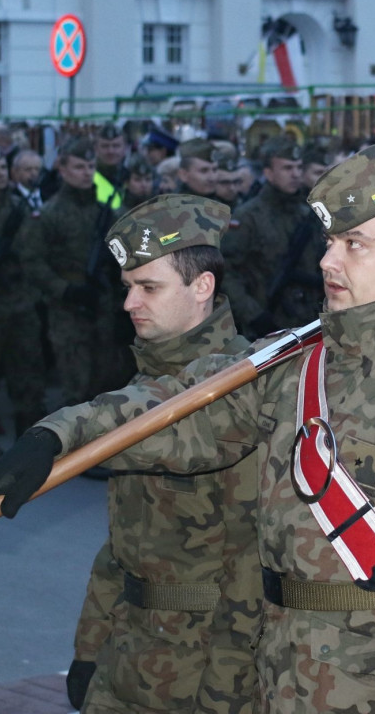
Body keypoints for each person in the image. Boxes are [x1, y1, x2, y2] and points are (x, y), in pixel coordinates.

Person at [0, 141, 375, 714]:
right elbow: (176, 409)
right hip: (283, 678)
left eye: (354, 245)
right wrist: (57, 436)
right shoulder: (295, 363)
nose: (327, 262)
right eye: (328, 242)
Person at [52, 194, 259, 713]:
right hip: (128, 653)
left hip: (202, 665)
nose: (129, 304)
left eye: (148, 287)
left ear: (202, 287)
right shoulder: (146, 380)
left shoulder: (243, 386)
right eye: (128, 288)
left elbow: (252, 569)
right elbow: (120, 543)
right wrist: (89, 645)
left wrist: (228, 691)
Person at [24, 136, 134, 407]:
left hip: (104, 306)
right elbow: (32, 261)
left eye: (90, 166)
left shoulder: (104, 212)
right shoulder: (49, 214)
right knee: (77, 387)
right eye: (79, 166)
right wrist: (65, 290)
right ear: (62, 170)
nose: (86, 172)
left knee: (109, 385)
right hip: (68, 312)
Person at [221, 135, 324, 338]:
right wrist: (254, 315)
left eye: (298, 167)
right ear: (268, 173)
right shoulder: (248, 217)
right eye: (287, 168)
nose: (295, 174)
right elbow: (226, 273)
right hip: (267, 324)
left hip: (309, 322)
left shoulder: (308, 213)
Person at [0, 144, 44, 458]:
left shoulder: (18, 206)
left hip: (20, 301)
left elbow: (33, 252)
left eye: (2, 168)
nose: (0, 174)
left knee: (27, 368)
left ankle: (27, 432)